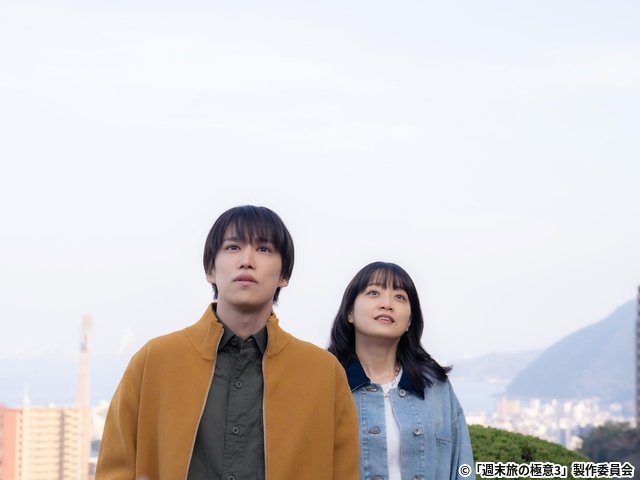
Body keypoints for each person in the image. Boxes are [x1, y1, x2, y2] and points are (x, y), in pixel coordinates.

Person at [96, 205, 359, 480]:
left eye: (264, 249)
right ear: (210, 269)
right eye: (233, 247)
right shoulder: (154, 360)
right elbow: (115, 469)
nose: (247, 260)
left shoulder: (323, 372)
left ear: (284, 275)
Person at [328, 261, 475, 480]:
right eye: (374, 292)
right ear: (350, 312)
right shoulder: (327, 383)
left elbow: (461, 465)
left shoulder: (436, 387)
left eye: (399, 297)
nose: (387, 304)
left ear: (409, 322)